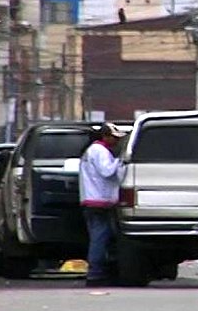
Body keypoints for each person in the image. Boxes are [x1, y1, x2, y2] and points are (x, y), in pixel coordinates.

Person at [79, 123, 126, 287]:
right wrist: (121, 161)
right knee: (100, 238)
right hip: (99, 201)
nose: (115, 141)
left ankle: (98, 271)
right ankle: (96, 273)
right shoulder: (100, 151)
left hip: (91, 200)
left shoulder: (91, 151)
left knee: (98, 237)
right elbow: (107, 171)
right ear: (105, 136)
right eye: (114, 137)